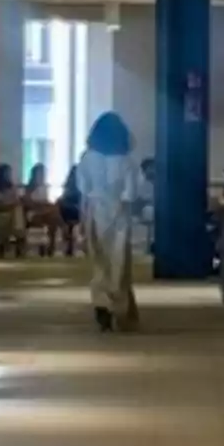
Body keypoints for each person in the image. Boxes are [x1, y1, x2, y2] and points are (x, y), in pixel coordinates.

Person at [77, 111, 139, 333]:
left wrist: (82, 225)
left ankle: (101, 305)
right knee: (119, 264)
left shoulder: (87, 158)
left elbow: (84, 194)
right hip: (119, 216)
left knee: (99, 263)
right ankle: (120, 307)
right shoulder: (127, 161)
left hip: (94, 213)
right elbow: (130, 195)